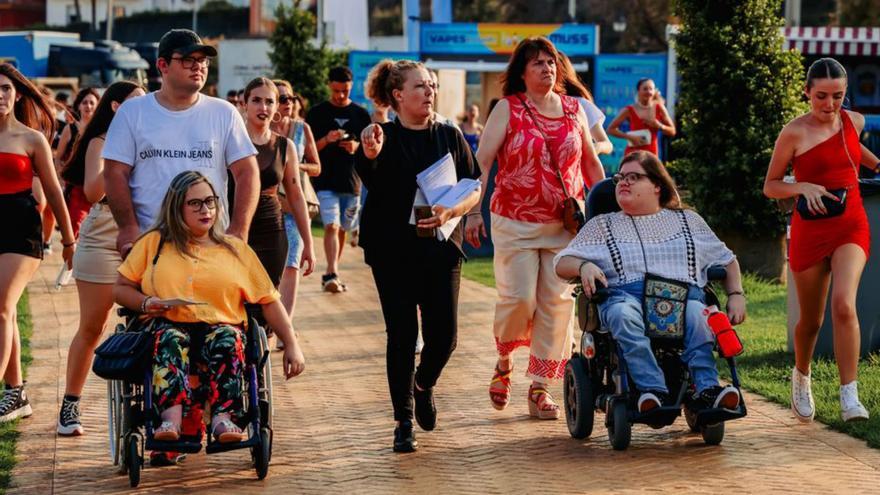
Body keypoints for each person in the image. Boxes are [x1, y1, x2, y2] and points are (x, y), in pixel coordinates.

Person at [464, 37, 604, 419]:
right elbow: (483, 162)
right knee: (519, 299)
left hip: (564, 226)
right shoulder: (507, 109)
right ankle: (505, 359)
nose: (547, 69)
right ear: (522, 73)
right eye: (538, 63)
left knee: (557, 305)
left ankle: (540, 388)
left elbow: (590, 164)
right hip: (514, 221)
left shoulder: (576, 109)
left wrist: (604, 211)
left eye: (551, 62)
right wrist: (473, 212)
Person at [114, 171, 305, 444]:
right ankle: (171, 418)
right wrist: (145, 302)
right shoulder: (153, 243)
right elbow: (120, 288)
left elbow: (269, 299)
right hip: (168, 324)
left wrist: (291, 343)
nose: (206, 210)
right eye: (195, 203)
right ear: (177, 207)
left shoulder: (234, 249)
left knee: (228, 338)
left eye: (211, 201)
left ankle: (223, 418)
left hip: (220, 328)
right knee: (170, 338)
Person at [555, 151, 743, 412]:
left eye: (634, 177)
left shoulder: (688, 221)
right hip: (626, 297)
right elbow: (561, 263)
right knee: (622, 315)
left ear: (657, 185)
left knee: (699, 316)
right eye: (620, 177)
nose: (623, 182)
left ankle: (708, 390)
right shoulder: (602, 225)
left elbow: (727, 260)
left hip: (683, 298)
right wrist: (583, 265)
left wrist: (736, 294)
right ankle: (652, 390)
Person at [358, 59, 480, 452]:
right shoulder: (381, 135)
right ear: (397, 95)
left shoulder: (449, 135)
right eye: (420, 86)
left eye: (431, 85)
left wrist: (452, 211)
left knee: (444, 338)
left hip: (441, 247)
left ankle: (423, 384)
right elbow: (367, 173)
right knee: (402, 335)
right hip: (391, 250)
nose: (429, 92)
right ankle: (403, 421)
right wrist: (370, 152)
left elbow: (473, 186)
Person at [763, 58, 880, 423]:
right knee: (810, 321)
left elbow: (850, 150)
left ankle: (850, 397)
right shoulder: (793, 133)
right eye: (821, 97)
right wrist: (802, 186)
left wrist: (877, 166)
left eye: (838, 97)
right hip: (810, 229)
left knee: (844, 304)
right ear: (807, 93)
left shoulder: (854, 122)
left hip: (850, 224)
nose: (830, 105)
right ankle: (801, 376)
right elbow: (770, 185)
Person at [103, 28, 259, 259]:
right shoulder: (132, 112)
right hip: (152, 244)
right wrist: (128, 228)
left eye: (203, 60)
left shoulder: (224, 112)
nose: (198, 66)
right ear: (163, 65)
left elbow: (247, 172)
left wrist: (239, 229)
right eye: (188, 60)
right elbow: (115, 173)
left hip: (211, 246)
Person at [56, 81, 146, 436]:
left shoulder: (152, 139)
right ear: (115, 107)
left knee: (153, 320)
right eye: (135, 103)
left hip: (144, 236)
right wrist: (122, 161)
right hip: (103, 236)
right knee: (93, 326)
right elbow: (94, 190)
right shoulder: (101, 142)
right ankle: (70, 404)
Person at [0, 63, 76, 423]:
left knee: (1, 307)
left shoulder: (32, 139)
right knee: (6, 311)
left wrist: (68, 239)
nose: (0, 96)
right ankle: (15, 394)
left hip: (21, 227)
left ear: (16, 94)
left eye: (5, 89)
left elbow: (52, 189)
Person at [239, 77, 315, 289]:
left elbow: (296, 196)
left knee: (268, 297)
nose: (263, 107)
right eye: (256, 100)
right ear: (245, 104)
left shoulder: (285, 146)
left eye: (270, 101)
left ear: (276, 107)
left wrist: (308, 244)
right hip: (234, 231)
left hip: (272, 232)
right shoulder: (230, 140)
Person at [306, 66, 371, 293]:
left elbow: (371, 149)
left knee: (344, 227)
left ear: (351, 87)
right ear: (329, 86)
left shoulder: (361, 115)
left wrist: (357, 147)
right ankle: (331, 272)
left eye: (344, 91)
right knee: (331, 226)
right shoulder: (317, 113)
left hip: (352, 183)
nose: (340, 95)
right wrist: (326, 139)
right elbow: (308, 149)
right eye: (336, 91)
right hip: (325, 182)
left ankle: (335, 267)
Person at [271, 80, 320, 342]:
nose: (287, 102)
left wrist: (294, 167)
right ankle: (271, 320)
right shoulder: (261, 129)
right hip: (267, 206)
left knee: (292, 265)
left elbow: (316, 167)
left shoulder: (302, 129)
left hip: (295, 205)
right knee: (272, 267)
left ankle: (284, 328)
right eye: (280, 98)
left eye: (289, 97)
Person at [42, 87, 99, 253]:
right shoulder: (70, 129)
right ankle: (71, 259)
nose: (88, 106)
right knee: (75, 222)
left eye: (92, 103)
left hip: (96, 184)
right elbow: (58, 157)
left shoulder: (101, 130)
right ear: (79, 106)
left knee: (96, 226)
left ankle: (86, 258)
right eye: (85, 102)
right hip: (74, 185)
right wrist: (60, 178)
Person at [558, 54, 613, 156]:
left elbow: (607, 144)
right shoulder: (527, 104)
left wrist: (595, 148)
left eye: (550, 64)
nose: (546, 69)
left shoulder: (579, 104)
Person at [607, 78, 675, 157]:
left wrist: (659, 126)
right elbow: (610, 129)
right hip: (633, 153)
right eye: (645, 89)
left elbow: (672, 131)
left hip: (651, 153)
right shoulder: (629, 110)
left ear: (654, 91)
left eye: (651, 89)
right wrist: (630, 137)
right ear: (638, 91)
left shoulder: (659, 108)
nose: (648, 92)